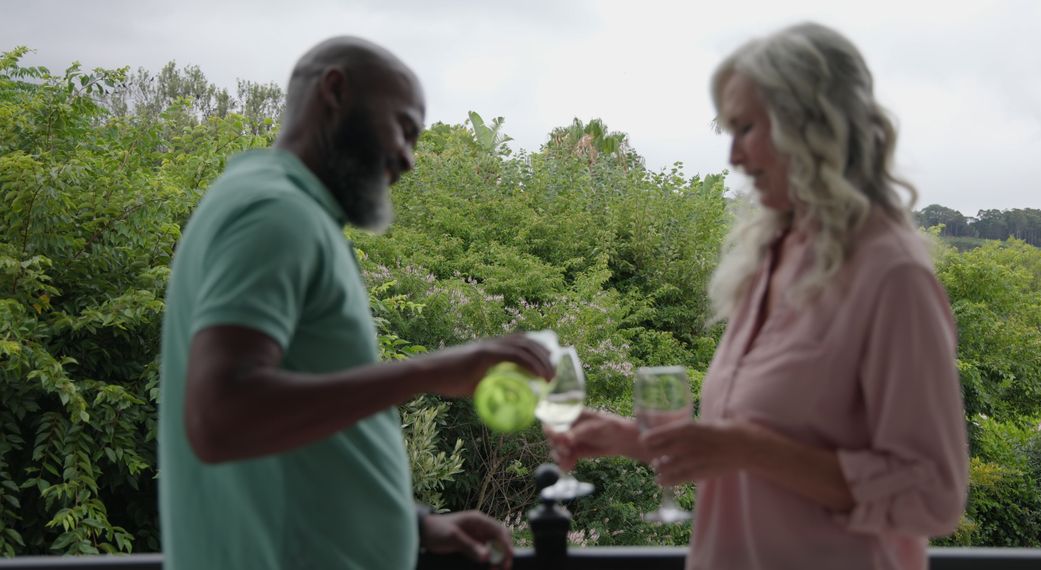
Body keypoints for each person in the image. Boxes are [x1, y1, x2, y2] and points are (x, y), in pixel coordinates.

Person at [550, 22, 968, 570]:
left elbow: (934, 496)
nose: (734, 157)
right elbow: (752, 462)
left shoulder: (892, 276)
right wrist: (634, 439)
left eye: (746, 128)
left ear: (811, 125)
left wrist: (748, 448)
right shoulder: (775, 253)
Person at [158, 36, 553, 570]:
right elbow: (221, 418)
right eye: (405, 129)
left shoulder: (274, 204)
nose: (409, 160)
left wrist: (411, 522)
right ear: (336, 91)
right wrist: (432, 370)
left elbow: (306, 433)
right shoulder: (275, 214)